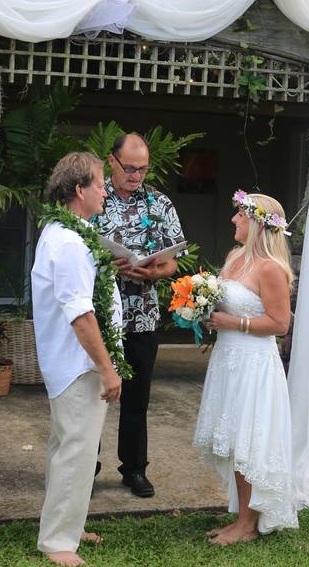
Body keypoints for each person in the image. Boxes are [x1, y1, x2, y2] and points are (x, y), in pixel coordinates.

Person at [33, 152, 126, 567]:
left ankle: (68, 524)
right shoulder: (68, 241)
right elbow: (81, 314)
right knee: (76, 451)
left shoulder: (75, 233)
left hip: (75, 363)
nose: (107, 191)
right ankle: (57, 541)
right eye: (101, 184)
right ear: (78, 190)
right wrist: (107, 368)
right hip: (78, 364)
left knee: (70, 449)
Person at [194, 190, 299, 545]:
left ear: (255, 223)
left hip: (254, 364)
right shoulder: (233, 257)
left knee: (249, 440)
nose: (233, 220)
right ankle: (240, 517)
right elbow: (224, 304)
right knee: (235, 440)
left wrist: (233, 323)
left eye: (240, 215)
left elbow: (280, 323)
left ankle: (248, 525)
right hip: (227, 360)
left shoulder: (271, 269)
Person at [94, 133, 185, 498]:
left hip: (143, 313)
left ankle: (134, 468)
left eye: (142, 169)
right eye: (129, 168)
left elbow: (174, 259)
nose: (136, 176)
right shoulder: (93, 196)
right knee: (93, 393)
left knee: (137, 396)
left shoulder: (159, 202)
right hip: (100, 312)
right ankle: (87, 466)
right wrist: (104, 262)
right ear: (111, 161)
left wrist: (156, 272)